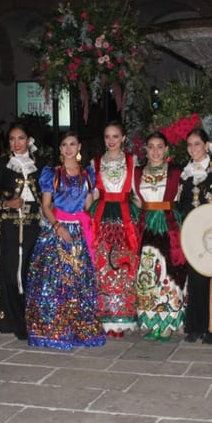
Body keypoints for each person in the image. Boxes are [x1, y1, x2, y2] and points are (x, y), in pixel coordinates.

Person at [26, 131, 105, 350]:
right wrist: (58, 227)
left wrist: (94, 227)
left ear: (79, 147)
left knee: (79, 282)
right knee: (53, 282)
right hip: (57, 231)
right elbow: (45, 205)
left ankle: (79, 328)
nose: (68, 148)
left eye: (72, 144)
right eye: (64, 145)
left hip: (80, 232)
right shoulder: (52, 174)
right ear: (60, 149)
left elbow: (88, 206)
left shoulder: (88, 175)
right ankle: (52, 330)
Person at [177, 128, 212, 345]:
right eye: (189, 145)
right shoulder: (186, 172)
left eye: (197, 144)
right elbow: (181, 203)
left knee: (210, 277)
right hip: (192, 230)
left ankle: (211, 327)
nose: (193, 149)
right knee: (194, 277)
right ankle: (194, 325)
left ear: (206, 145)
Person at [132, 132, 187, 342]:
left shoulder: (176, 172)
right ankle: (152, 321)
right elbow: (136, 201)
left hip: (168, 222)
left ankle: (168, 322)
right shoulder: (137, 173)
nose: (155, 151)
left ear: (166, 149)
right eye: (151, 146)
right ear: (145, 149)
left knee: (168, 272)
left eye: (159, 147)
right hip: (146, 225)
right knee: (147, 273)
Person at [0, 124, 41, 340]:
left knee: (30, 271)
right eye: (12, 139)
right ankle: (14, 319)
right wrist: (8, 203)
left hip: (33, 224)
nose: (16, 143)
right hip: (10, 224)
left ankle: (30, 317)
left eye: (20, 138)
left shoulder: (40, 164)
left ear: (28, 140)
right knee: (11, 272)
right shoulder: (2, 164)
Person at [91, 120, 139, 337]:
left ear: (123, 138)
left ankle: (123, 318)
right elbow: (91, 193)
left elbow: (137, 191)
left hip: (125, 215)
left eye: (115, 136)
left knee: (123, 266)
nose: (111, 141)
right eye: (107, 137)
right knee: (102, 266)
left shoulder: (132, 161)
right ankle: (104, 318)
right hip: (102, 215)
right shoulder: (95, 162)